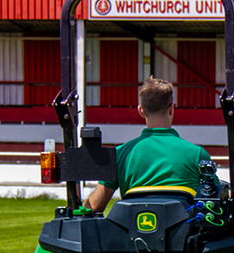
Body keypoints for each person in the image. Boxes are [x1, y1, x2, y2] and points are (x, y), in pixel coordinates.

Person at [85, 76, 212, 213]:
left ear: (140, 110)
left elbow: (94, 206)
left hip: (134, 232)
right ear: (171, 109)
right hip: (185, 233)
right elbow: (213, 198)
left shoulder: (120, 154)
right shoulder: (197, 154)